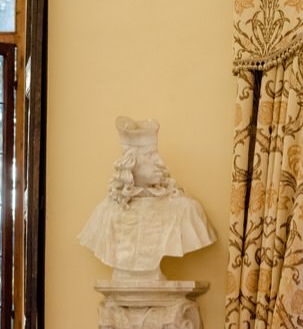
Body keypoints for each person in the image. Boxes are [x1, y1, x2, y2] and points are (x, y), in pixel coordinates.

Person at [78, 116, 217, 280]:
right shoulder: (105, 212)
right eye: (150, 156)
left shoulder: (186, 209)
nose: (159, 161)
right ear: (130, 163)